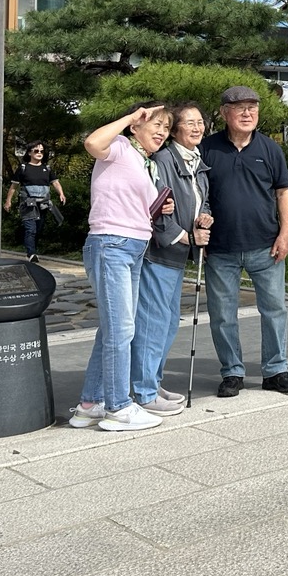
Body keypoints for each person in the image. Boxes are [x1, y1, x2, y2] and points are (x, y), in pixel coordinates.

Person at [68, 103, 175, 433]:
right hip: (111, 245)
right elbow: (91, 143)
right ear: (136, 126)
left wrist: (158, 205)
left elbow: (130, 203)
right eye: (155, 124)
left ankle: (89, 405)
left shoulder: (143, 163)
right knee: (121, 330)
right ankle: (118, 407)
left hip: (131, 247)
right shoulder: (119, 147)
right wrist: (129, 116)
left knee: (112, 329)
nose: (161, 131)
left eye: (166, 128)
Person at [197, 85, 288, 397]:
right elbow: (196, 192)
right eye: (239, 108)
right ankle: (232, 372)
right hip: (221, 248)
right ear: (224, 113)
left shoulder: (269, 148)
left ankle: (275, 369)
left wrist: (285, 235)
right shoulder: (206, 148)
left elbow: (284, 193)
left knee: (274, 310)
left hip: (266, 245)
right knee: (223, 314)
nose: (247, 113)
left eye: (252, 107)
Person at [131, 102, 213, 416]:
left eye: (200, 122)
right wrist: (186, 236)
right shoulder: (165, 160)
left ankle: (152, 381)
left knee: (166, 323)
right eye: (189, 122)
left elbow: (201, 201)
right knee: (154, 323)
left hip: (177, 255)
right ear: (177, 130)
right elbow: (157, 209)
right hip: (159, 253)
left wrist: (204, 217)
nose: (197, 127)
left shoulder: (197, 163)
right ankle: (144, 391)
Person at [3, 142, 67, 263]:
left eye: (41, 151)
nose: (39, 153)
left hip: (43, 204)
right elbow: (13, 186)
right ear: (29, 153)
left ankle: (33, 251)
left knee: (38, 229)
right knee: (30, 229)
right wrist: (8, 201)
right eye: (36, 151)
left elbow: (55, 183)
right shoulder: (23, 168)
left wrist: (61, 194)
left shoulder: (46, 168)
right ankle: (31, 253)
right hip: (28, 204)